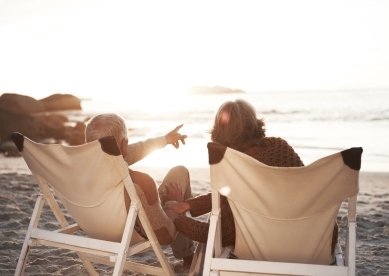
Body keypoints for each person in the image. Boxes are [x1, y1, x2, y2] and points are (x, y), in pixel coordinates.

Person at [165, 99, 339, 255]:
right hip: (318, 239)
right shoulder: (281, 147)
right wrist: (188, 205)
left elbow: (223, 234)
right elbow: (226, 196)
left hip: (266, 247)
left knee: (216, 225)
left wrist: (178, 221)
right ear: (254, 124)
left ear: (219, 131)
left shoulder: (234, 168)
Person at [85, 113, 194, 273]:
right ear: (124, 145)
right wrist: (175, 205)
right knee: (179, 173)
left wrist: (165, 139)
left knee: (169, 187)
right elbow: (165, 235)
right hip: (135, 228)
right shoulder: (141, 183)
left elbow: (136, 149)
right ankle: (188, 259)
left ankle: (188, 255)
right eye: (126, 146)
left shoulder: (80, 169)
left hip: (95, 226)